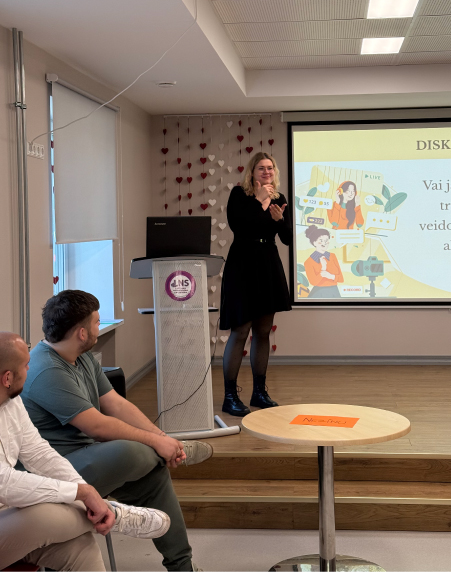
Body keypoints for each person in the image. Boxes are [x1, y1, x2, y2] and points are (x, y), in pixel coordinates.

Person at [21, 290, 212, 572]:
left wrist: (161, 438)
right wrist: (157, 443)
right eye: (97, 322)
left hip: (87, 455)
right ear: (82, 333)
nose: (99, 327)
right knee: (133, 451)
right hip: (55, 471)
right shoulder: (46, 369)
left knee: (154, 475)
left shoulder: (82, 357)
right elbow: (97, 426)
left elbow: (116, 404)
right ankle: (174, 451)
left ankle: (182, 567)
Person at [0, 331, 170, 571]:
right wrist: (81, 493)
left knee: (82, 546)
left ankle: (105, 511)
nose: (30, 369)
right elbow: (4, 483)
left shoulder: (11, 400)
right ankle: (114, 514)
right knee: (44, 516)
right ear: (7, 377)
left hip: (7, 515)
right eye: (26, 365)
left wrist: (85, 491)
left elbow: (39, 453)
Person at [220, 151, 292, 417]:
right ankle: (230, 397)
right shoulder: (240, 195)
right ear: (252, 172)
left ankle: (259, 393)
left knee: (263, 331)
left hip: (268, 265)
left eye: (270, 168)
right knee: (241, 330)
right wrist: (260, 200)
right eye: (261, 168)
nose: (267, 172)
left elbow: (287, 239)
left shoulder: (280, 199)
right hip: (242, 265)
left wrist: (279, 220)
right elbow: (239, 226)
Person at [304, 226, 344, 299]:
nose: (324, 243)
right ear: (314, 242)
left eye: (326, 240)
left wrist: (330, 276)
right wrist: (323, 269)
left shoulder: (332, 256)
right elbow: (313, 282)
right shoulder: (308, 262)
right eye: (321, 240)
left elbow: (341, 279)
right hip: (319, 293)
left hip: (334, 291)